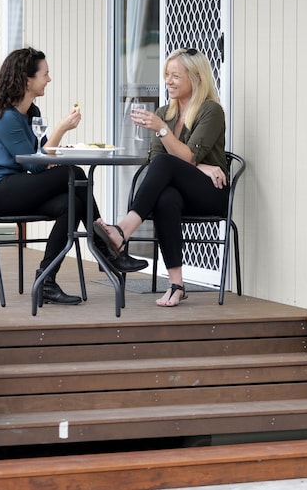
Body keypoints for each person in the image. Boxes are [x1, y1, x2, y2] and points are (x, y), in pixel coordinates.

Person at [0, 47, 142, 306]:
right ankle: (108, 247)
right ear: (27, 80)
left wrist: (56, 150)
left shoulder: (32, 113)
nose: (49, 79)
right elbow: (37, 164)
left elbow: (43, 156)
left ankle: (46, 280)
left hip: (14, 188)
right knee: (75, 173)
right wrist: (61, 129)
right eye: (45, 74)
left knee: (72, 204)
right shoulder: (3, 116)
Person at [95, 47, 230, 307]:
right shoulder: (164, 113)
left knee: (167, 165)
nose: (168, 81)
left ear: (197, 78)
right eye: (167, 74)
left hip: (211, 193)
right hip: (184, 191)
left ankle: (122, 231)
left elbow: (188, 157)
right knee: (166, 197)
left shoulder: (211, 111)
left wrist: (165, 134)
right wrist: (200, 165)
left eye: (176, 76)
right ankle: (177, 285)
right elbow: (158, 162)